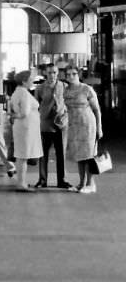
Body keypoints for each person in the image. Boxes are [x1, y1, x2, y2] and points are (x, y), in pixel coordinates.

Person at [64, 66, 103, 194]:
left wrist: (99, 127)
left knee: (88, 155)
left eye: (74, 74)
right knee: (79, 156)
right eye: (68, 74)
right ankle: (81, 183)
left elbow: (96, 110)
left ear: (78, 74)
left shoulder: (87, 89)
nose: (71, 76)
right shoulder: (66, 91)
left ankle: (90, 184)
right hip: (74, 126)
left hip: (88, 125)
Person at [34, 63, 71, 189]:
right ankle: (42, 180)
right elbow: (35, 106)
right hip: (45, 124)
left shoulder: (64, 86)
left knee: (61, 153)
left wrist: (65, 113)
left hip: (60, 124)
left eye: (55, 72)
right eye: (50, 72)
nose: (52, 75)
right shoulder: (40, 88)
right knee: (43, 153)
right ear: (45, 73)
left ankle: (62, 180)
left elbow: (69, 103)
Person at [8, 70, 43, 193]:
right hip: (26, 128)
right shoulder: (24, 93)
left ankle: (21, 181)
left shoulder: (17, 92)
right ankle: (21, 183)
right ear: (24, 81)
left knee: (21, 155)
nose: (32, 80)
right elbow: (24, 113)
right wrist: (14, 116)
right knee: (23, 156)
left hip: (22, 127)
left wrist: (12, 116)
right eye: (30, 79)